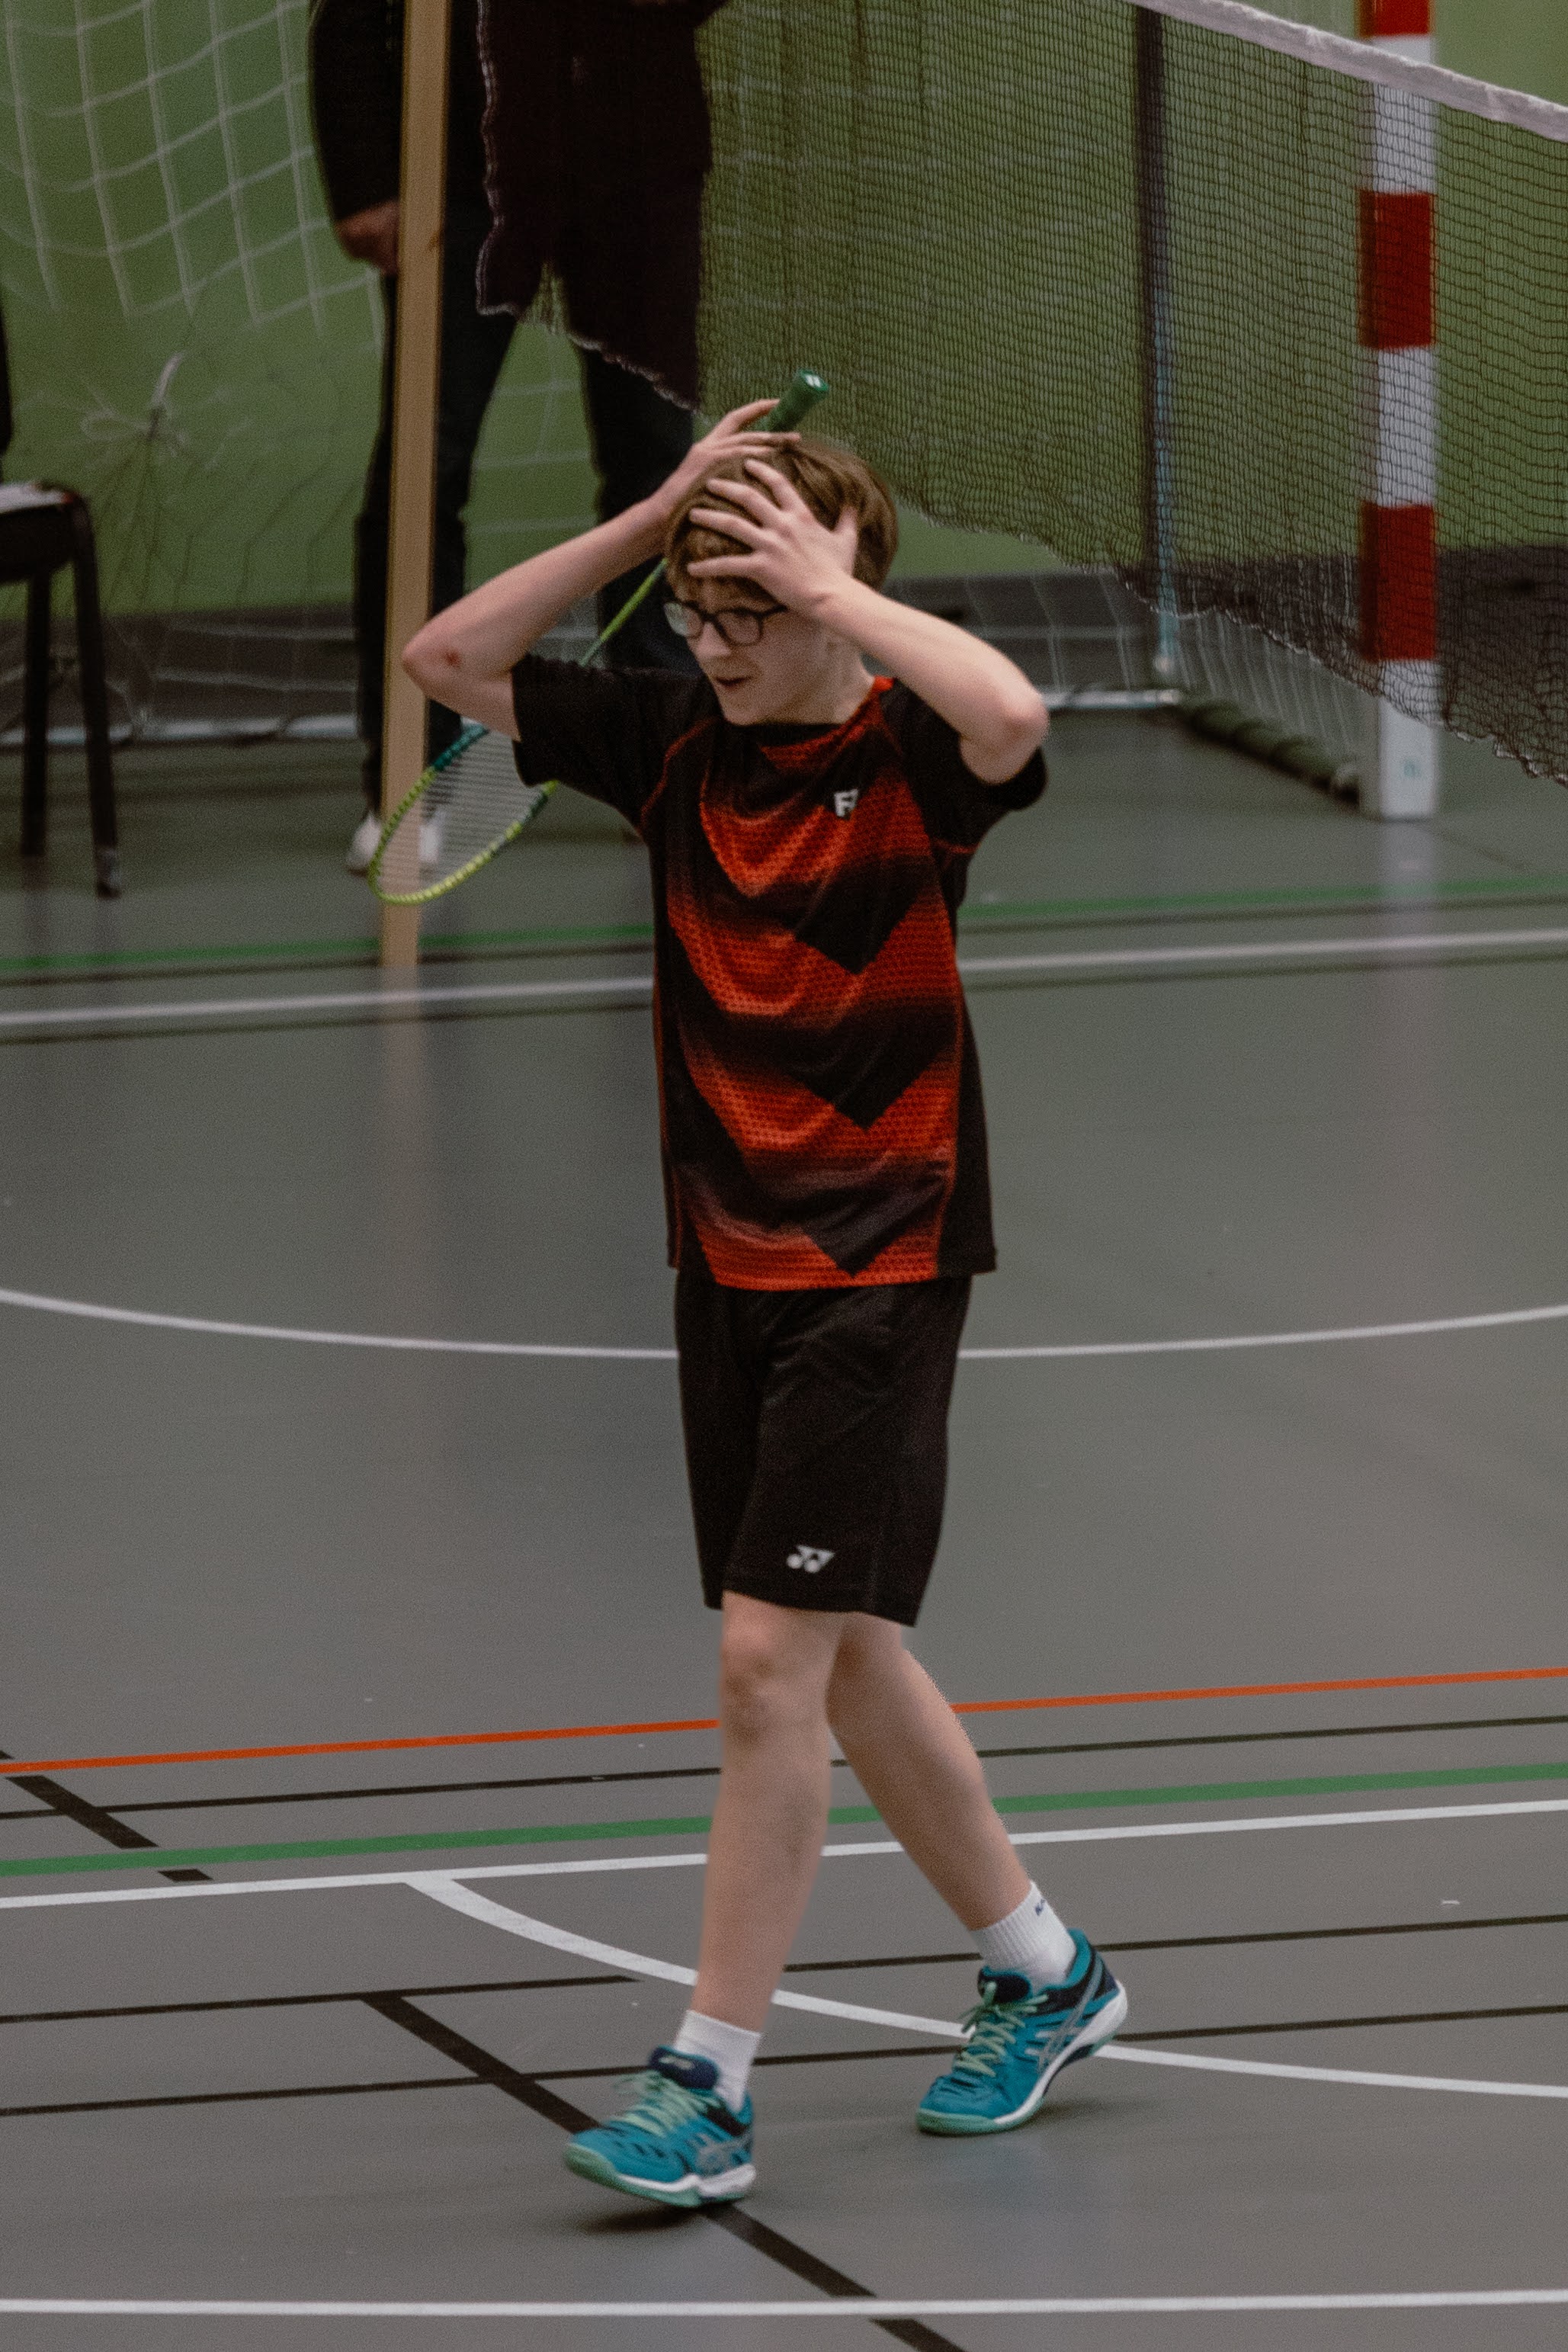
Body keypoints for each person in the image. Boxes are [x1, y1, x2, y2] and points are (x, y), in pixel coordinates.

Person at [402, 406, 1127, 2207]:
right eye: (697, 609)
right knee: (841, 1645)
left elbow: (1011, 713)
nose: (716, 642)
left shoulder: (910, 755)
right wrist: (652, 514)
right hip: (722, 1256)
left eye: (753, 609)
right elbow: (448, 658)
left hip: (879, 1258)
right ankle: (1045, 1970)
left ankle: (704, 2083)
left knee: (760, 1665)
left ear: (833, 591)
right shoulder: (666, 742)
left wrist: (833, 589)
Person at [308, 0, 722, 874]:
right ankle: (407, 777)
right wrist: (364, 174)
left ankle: (660, 758)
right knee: (423, 468)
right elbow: (347, 17)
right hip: (459, 166)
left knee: (658, 466)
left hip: (636, 161)